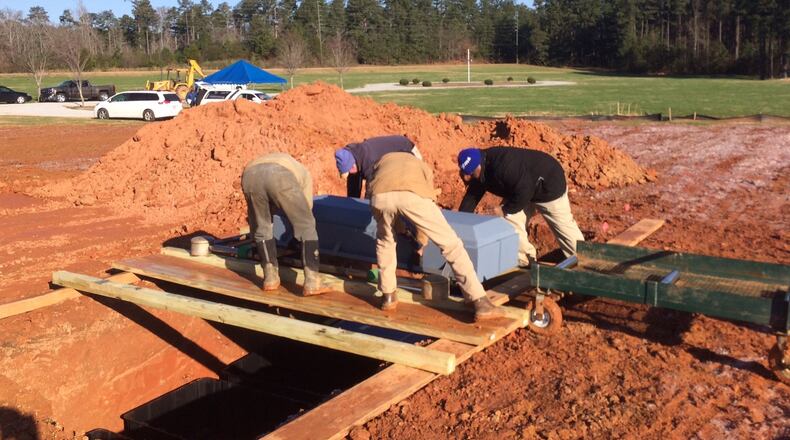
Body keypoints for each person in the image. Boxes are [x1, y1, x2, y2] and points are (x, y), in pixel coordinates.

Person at [368, 152, 505, 321]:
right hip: (413, 196)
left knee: (385, 242)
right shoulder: (421, 165)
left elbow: (384, 194)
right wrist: (422, 241)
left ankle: (388, 296)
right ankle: (479, 301)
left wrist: (400, 227)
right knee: (451, 245)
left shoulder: (381, 160)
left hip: (379, 196)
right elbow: (425, 199)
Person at [457, 147, 584, 267]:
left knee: (563, 226)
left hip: (548, 184)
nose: (468, 177)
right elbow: (472, 195)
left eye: (471, 173)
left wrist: (504, 209)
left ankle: (583, 261)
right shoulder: (479, 170)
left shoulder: (503, 167)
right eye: (465, 173)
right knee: (510, 220)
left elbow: (525, 191)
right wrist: (461, 220)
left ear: (479, 165)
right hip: (521, 186)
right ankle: (525, 259)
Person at [241, 152, 327, 296]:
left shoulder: (272, 160)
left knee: (263, 228)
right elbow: (305, 212)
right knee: (307, 225)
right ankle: (312, 282)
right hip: (279, 176)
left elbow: (258, 218)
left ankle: (270, 278)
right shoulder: (304, 174)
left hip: (250, 175)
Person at [335, 135, 423, 198]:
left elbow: (371, 194)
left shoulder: (370, 163)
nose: (350, 173)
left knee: (403, 192)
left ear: (353, 165)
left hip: (407, 151)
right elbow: (353, 190)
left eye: (349, 170)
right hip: (390, 157)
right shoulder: (352, 156)